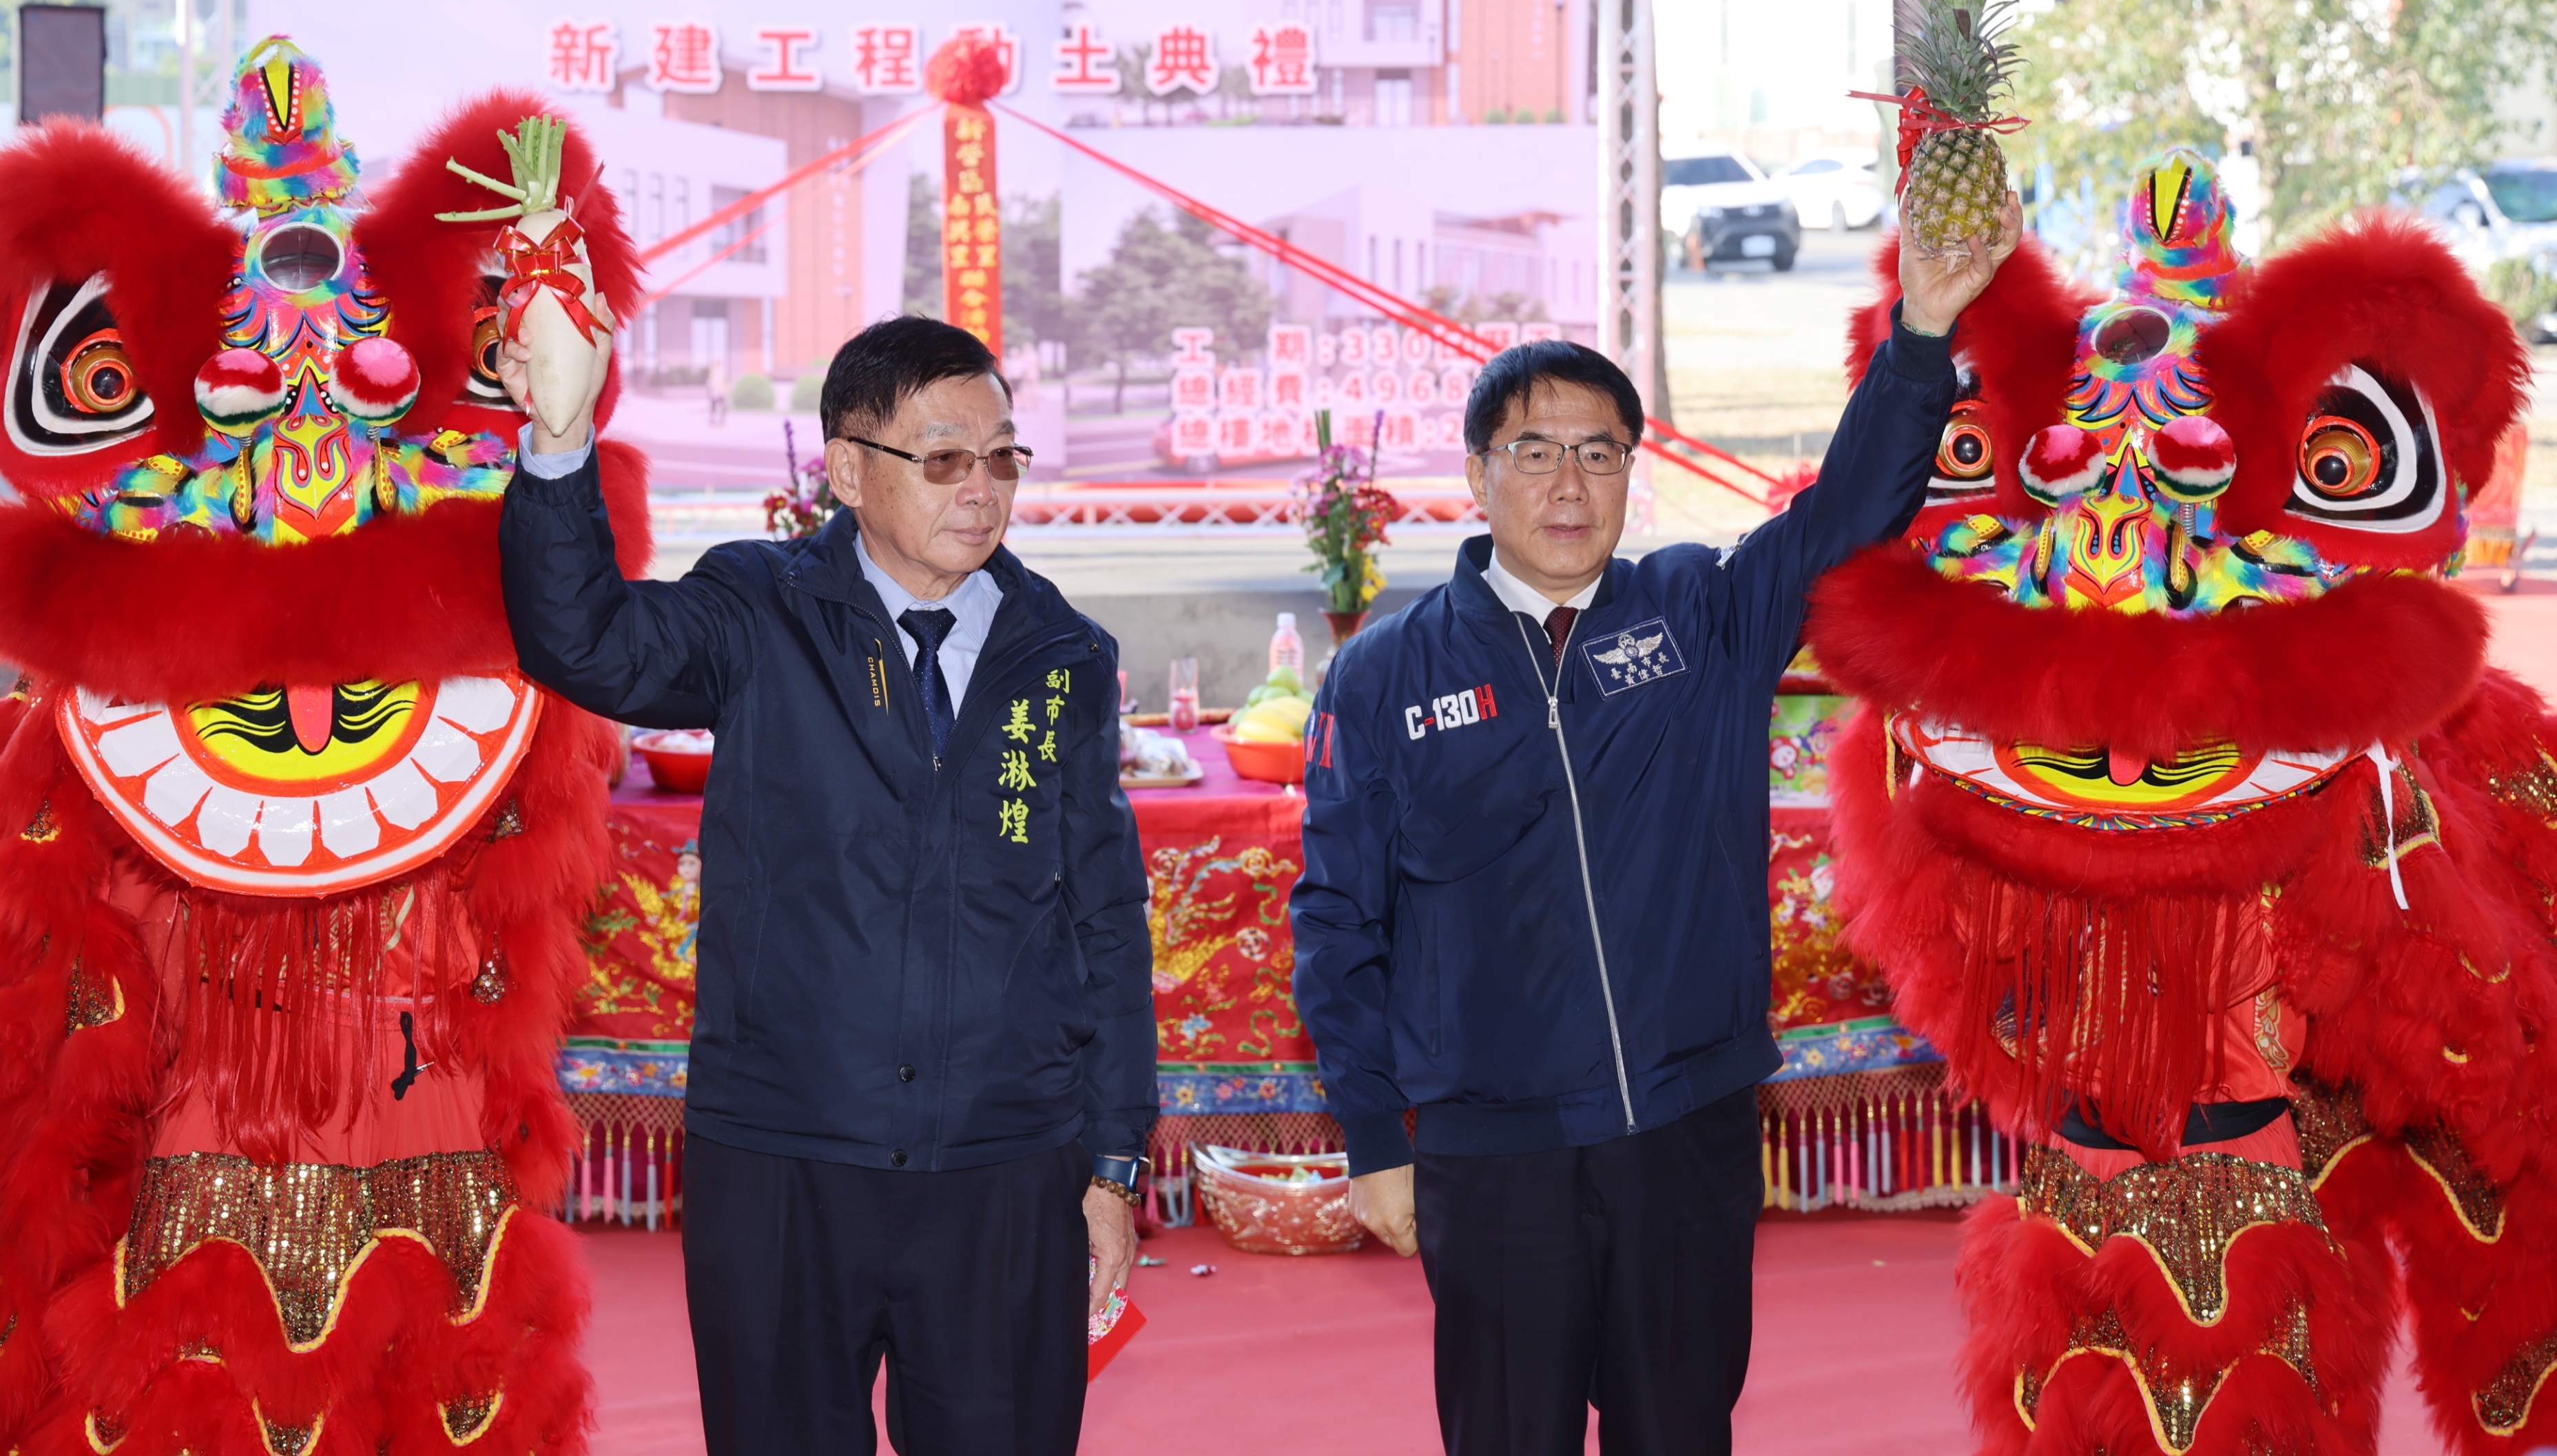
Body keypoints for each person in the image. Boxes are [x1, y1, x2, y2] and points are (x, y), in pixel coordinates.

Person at [1291, 203, 2021, 1455]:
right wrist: (1372, 1137)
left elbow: (1851, 506)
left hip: (1684, 1128)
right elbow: (1337, 923)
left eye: (1600, 452)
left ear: (1633, 469)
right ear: (1476, 474)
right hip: (1495, 1149)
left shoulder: (1701, 615)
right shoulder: (1386, 674)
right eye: (1534, 452)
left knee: (1679, 1429)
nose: (1569, 484)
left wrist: (1923, 332)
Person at [497, 315, 1153, 1456]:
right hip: (787, 1152)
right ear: (848, 470)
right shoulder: (760, 610)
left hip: (1002, 1163)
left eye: (1003, 456)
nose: (982, 488)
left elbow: (1105, 917)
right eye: (944, 458)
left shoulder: (1064, 655)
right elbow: (585, 638)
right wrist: (559, 440)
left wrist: (1111, 1161)